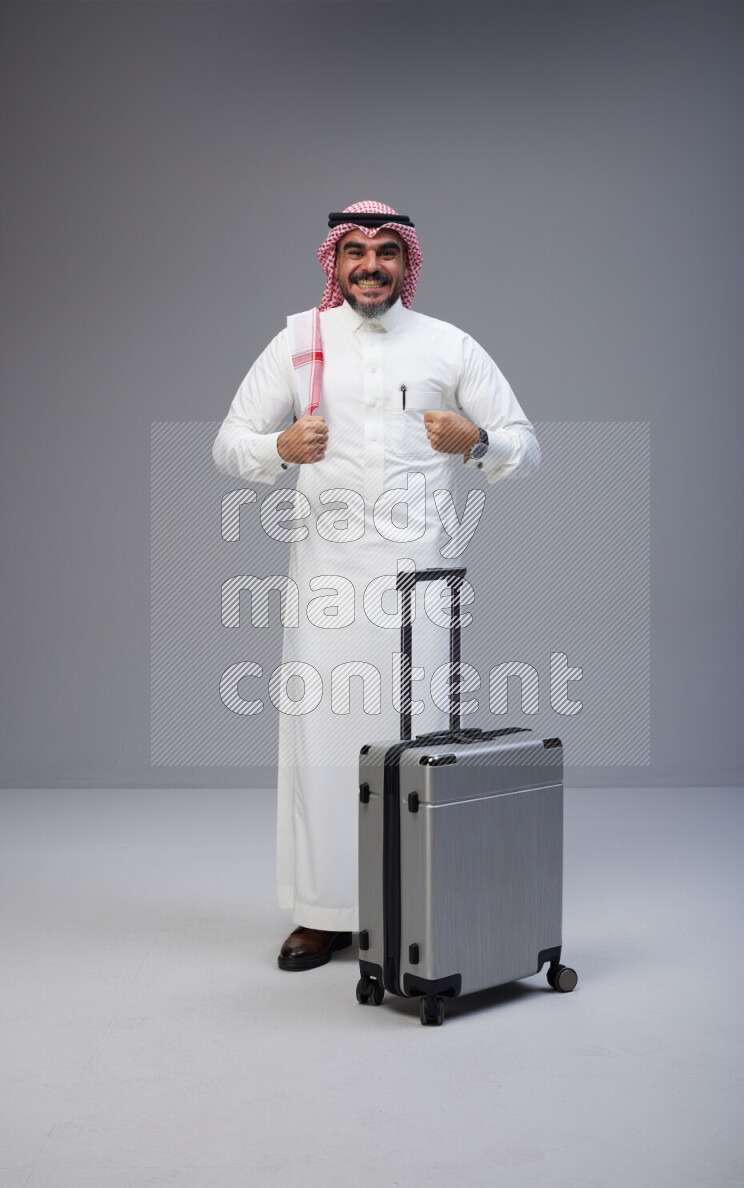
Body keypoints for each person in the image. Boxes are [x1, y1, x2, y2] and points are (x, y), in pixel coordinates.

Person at [213, 200, 540, 971]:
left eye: (386, 251)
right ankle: (325, 915)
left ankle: (413, 903)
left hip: (419, 584)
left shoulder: (448, 346)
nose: (370, 264)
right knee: (324, 744)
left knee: (416, 738)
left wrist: (478, 440)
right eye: (355, 250)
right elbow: (228, 443)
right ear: (334, 261)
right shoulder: (300, 341)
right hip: (326, 581)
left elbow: (527, 447)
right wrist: (280, 448)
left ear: (407, 262)